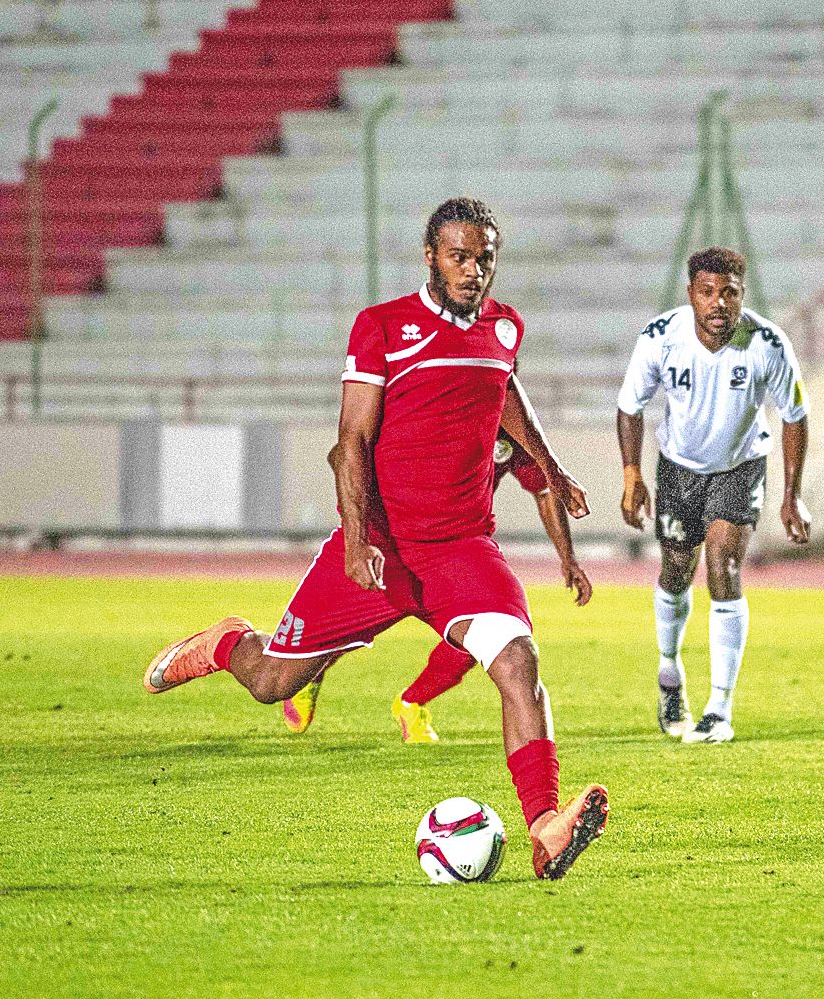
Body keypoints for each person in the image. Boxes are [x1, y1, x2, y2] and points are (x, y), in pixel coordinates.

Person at [143, 197, 608, 880]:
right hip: (382, 546)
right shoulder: (384, 327)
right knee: (274, 681)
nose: (473, 270)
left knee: (518, 662)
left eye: (484, 258)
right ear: (431, 256)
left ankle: (544, 822)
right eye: (459, 256)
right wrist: (358, 538)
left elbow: (505, 388)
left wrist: (555, 467)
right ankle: (223, 643)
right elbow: (352, 440)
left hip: (460, 548)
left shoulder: (505, 328)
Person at [279, 430, 593, 742]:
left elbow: (544, 490)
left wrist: (568, 558)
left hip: (449, 549)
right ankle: (309, 664)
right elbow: (343, 452)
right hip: (388, 541)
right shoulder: (432, 402)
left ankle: (412, 702)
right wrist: (358, 533)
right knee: (288, 667)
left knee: (490, 633)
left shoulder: (512, 426)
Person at [616, 246, 811, 744]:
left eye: (729, 293)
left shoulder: (767, 343)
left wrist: (792, 495)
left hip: (740, 467)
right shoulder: (661, 338)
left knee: (722, 567)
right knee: (676, 571)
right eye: (708, 292)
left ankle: (719, 709)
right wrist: (632, 474)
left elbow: (794, 416)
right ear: (691, 295)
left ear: (742, 294)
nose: (718, 303)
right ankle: (669, 672)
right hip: (679, 469)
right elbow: (629, 405)